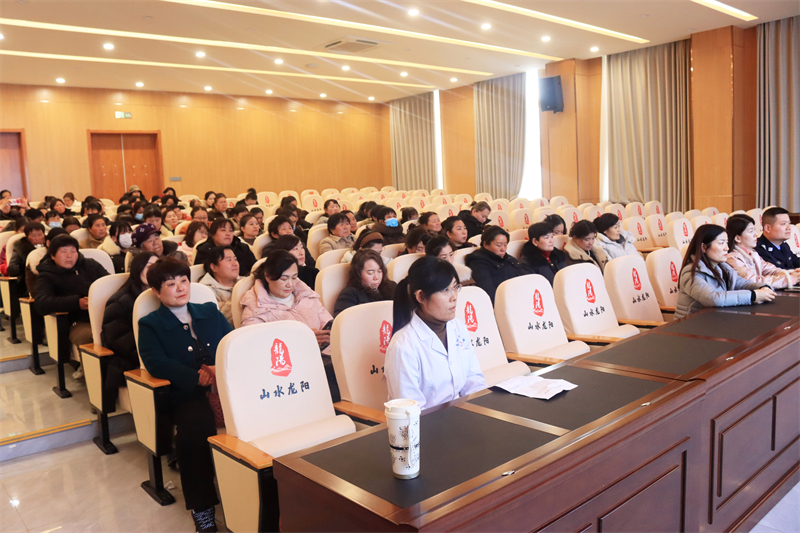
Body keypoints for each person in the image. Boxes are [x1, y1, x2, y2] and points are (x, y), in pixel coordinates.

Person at [137, 257, 232, 532]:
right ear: (156, 291)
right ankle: (203, 509)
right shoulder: (151, 323)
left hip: (226, 386)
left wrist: (219, 369)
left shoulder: (209, 311)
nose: (180, 288)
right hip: (186, 394)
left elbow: (232, 342)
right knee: (194, 431)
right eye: (171, 284)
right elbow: (156, 362)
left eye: (183, 281)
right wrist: (196, 377)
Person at [384, 256, 486, 410]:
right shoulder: (403, 345)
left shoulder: (458, 327)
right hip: (426, 422)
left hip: (459, 414)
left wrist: (485, 410)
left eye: (455, 287)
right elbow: (410, 411)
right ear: (421, 296)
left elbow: (474, 380)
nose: (454, 297)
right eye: (445, 290)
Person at [240, 251, 338, 399]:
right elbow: (258, 350)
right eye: (284, 278)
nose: (290, 284)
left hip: (324, 359)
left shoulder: (307, 295)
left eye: (294, 277)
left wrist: (330, 335)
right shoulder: (255, 309)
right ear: (268, 276)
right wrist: (303, 342)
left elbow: (327, 322)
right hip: (291, 372)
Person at [34, 235, 109, 377]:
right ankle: (95, 379)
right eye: (63, 252)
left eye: (73, 251)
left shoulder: (91, 265)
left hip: (103, 315)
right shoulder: (47, 275)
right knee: (92, 337)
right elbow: (41, 302)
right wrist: (76, 303)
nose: (69, 256)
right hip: (76, 321)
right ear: (53, 256)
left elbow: (109, 284)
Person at [675, 225, 776, 319]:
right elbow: (713, 299)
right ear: (704, 247)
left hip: (714, 320)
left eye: (727, 243)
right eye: (721, 243)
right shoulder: (690, 272)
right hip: (691, 325)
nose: (727, 248)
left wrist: (763, 287)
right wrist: (753, 295)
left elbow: (742, 283)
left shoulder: (723, 267)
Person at [100, 252, 157, 411]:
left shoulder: (165, 294)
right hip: (129, 359)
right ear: (138, 269)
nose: (153, 271)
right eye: (149, 266)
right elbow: (117, 338)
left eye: (157, 267)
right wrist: (152, 353)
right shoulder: (120, 299)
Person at [726, 214, 800, 289]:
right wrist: (789, 279)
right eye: (751, 231)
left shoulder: (753, 253)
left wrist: (792, 274)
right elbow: (752, 281)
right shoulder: (732, 258)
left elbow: (770, 270)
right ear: (738, 238)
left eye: (754, 230)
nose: (755, 234)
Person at [465, 226, 532, 303]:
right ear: (486, 245)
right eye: (498, 245)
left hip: (520, 297)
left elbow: (524, 275)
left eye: (505, 245)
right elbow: (489, 291)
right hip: (504, 302)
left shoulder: (507, 258)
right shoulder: (478, 262)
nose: (503, 249)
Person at [333, 249, 397, 317]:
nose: (376, 277)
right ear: (358, 273)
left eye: (379, 271)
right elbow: (342, 320)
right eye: (370, 273)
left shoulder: (391, 287)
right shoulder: (349, 295)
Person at [199, 246, 241, 327]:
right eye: (229, 260)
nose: (235, 264)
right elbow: (220, 318)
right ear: (214, 267)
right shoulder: (206, 291)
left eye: (235, 259)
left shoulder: (245, 282)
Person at [7, 222, 46, 296]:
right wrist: (26, 265)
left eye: (40, 235)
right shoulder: (20, 247)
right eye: (33, 235)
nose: (37, 238)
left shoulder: (49, 245)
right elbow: (11, 269)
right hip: (28, 282)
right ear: (27, 236)